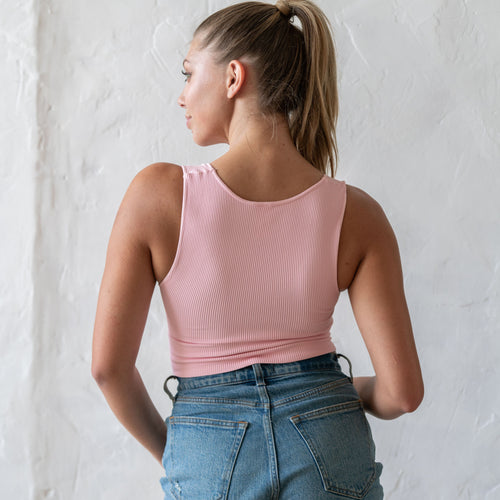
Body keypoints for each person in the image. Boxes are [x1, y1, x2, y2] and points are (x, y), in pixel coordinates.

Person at [91, 0, 424, 498]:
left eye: (187, 74)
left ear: (232, 77)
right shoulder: (357, 213)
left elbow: (107, 368)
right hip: (328, 434)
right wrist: (331, 395)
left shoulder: (156, 196)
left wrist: (187, 450)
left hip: (207, 442)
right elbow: (403, 393)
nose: (181, 97)